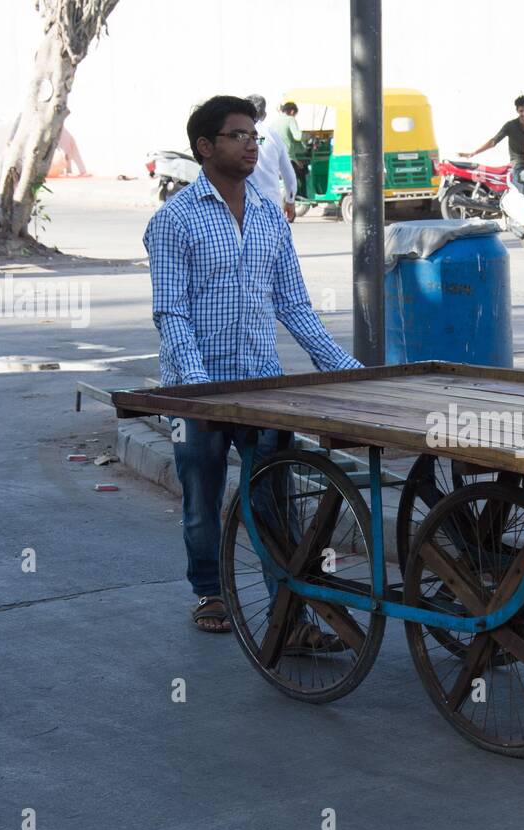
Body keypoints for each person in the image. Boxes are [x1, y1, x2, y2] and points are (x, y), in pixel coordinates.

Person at [143, 94, 361, 638]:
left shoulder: (269, 215)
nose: (251, 145)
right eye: (238, 135)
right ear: (204, 146)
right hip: (194, 393)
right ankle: (210, 592)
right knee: (202, 502)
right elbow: (171, 312)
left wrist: (345, 369)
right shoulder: (173, 221)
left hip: (264, 388)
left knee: (273, 504)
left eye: (254, 137)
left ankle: (291, 617)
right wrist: (197, 389)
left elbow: (293, 304)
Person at [459, 94, 524, 230]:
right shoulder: (510, 126)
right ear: (517, 111)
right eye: (521, 111)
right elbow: (493, 141)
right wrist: (473, 153)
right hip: (519, 165)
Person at [245, 94, 297, 222]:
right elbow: (289, 175)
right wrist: (290, 201)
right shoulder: (273, 136)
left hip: (244, 205)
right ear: (264, 114)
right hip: (271, 204)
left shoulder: (238, 135)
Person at [271, 101, 307, 195]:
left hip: (275, 158)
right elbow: (297, 136)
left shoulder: (274, 122)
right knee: (302, 174)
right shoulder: (290, 119)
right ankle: (301, 197)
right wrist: (309, 136)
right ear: (292, 111)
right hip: (288, 157)